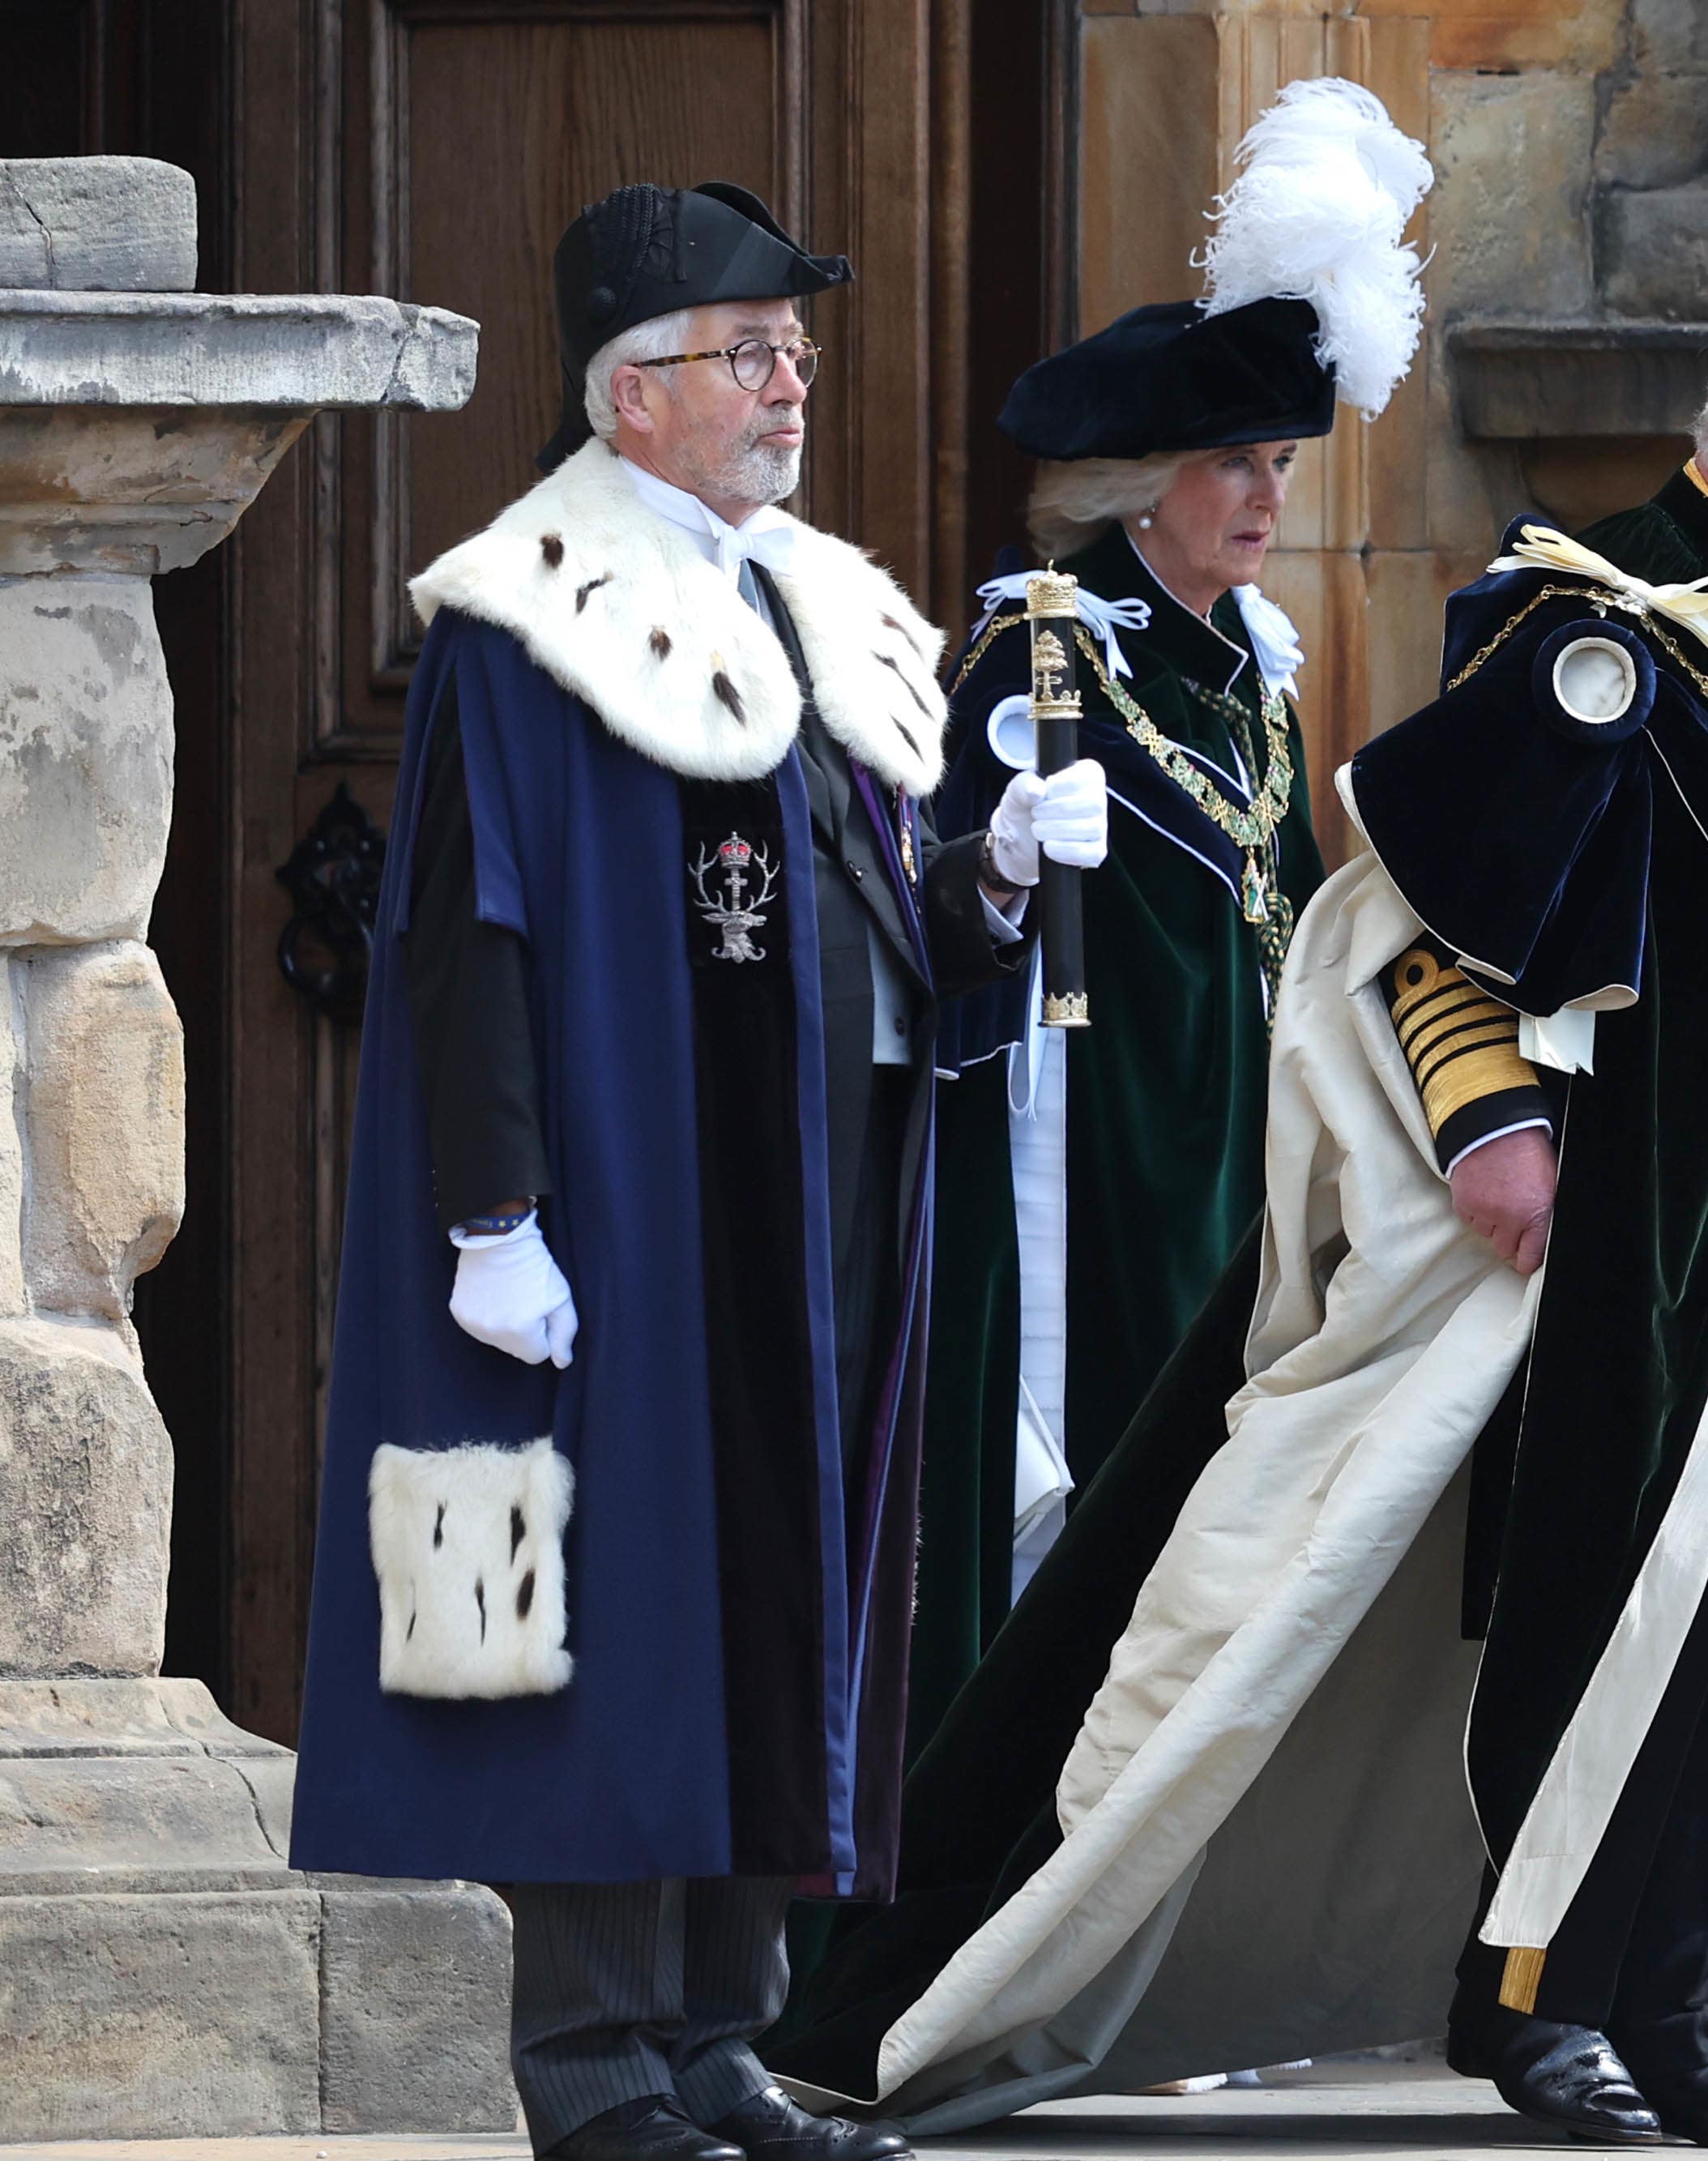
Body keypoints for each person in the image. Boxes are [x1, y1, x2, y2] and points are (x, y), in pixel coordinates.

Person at [765, 265, 1708, 2155]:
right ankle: (1527, 2005)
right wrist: (1490, 1119)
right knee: (1602, 1615)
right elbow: (1420, 905)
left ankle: (1666, 2012)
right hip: (1604, 1234)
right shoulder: (1592, 621)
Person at [284, 180, 1108, 2161]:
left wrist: (985, 872)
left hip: (814, 1193)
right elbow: (472, 926)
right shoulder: (524, 611)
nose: (790, 383)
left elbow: (864, 906)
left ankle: (723, 2031)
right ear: (631, 395)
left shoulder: (804, 598)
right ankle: (591, 2064)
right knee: (615, 1610)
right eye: (753, 352)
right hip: (632, 1201)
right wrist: (491, 1212)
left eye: (796, 352)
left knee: (782, 1585)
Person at [903, 77, 1413, 1732]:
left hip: (1230, 1163)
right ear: (1137, 483)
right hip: (1092, 1161)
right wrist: (993, 866)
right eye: (1229, 466)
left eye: (1274, 463)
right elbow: (943, 939)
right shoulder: (1040, 660)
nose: (1264, 498)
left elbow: (1292, 908)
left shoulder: (1249, 673)